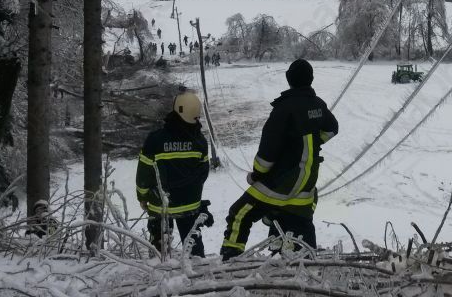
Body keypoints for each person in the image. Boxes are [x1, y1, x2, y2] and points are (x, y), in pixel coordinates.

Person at [220, 59, 338, 260]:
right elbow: (332, 128)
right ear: (310, 79)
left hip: (283, 182)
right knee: (297, 222)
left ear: (289, 79)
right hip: (306, 185)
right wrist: (311, 143)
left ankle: (230, 259)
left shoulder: (284, 109)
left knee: (239, 213)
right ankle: (303, 259)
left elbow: (266, 156)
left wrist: (257, 175)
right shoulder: (318, 105)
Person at [136, 92, 213, 257]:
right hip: (190, 205)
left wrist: (142, 196)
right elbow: (203, 173)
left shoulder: (155, 140)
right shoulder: (200, 141)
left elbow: (144, 173)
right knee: (193, 247)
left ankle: (159, 268)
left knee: (160, 249)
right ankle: (199, 270)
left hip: (160, 205)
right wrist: (190, 190)